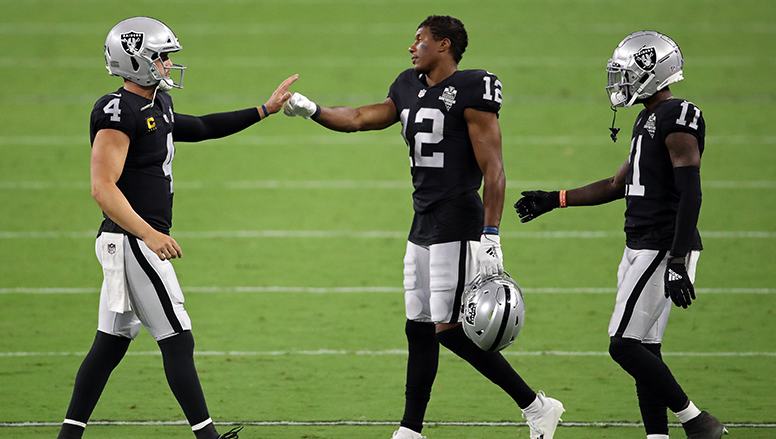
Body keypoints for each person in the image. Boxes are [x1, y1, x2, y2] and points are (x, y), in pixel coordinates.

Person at [283, 15, 564, 439]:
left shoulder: (472, 87)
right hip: (424, 219)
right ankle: (411, 429)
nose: (412, 47)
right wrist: (314, 110)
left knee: (448, 330)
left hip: (458, 218)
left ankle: (537, 407)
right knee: (418, 326)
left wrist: (491, 233)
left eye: (420, 40)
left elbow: (494, 167)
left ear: (444, 45)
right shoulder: (407, 85)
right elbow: (359, 117)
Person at [56, 17, 297, 439]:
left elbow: (201, 127)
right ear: (135, 61)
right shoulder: (117, 110)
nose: (168, 64)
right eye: (161, 57)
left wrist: (263, 110)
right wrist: (148, 234)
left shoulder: (157, 104)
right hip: (133, 239)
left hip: (127, 240)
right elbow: (102, 187)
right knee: (177, 337)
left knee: (110, 344)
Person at [514, 30, 727, 439]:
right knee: (644, 348)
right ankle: (657, 435)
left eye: (628, 73)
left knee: (623, 345)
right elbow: (617, 184)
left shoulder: (677, 115)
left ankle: (696, 421)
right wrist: (555, 199)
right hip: (642, 243)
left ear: (652, 71)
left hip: (662, 245)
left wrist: (677, 259)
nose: (621, 82)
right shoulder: (647, 118)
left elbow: (692, 193)